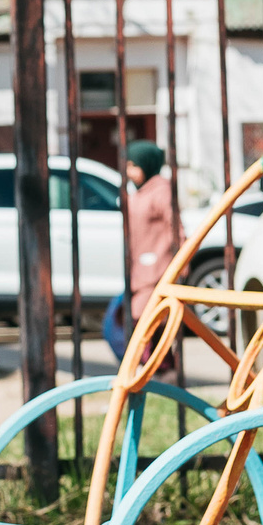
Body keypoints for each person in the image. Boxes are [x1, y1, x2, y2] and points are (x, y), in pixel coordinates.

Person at [103, 140, 183, 366]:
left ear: (147, 164)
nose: (128, 172)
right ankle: (156, 370)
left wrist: (178, 266)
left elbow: (177, 229)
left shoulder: (161, 192)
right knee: (126, 323)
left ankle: (152, 371)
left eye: (133, 165)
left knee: (145, 322)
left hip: (157, 271)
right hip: (138, 272)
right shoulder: (140, 192)